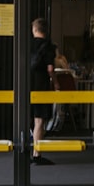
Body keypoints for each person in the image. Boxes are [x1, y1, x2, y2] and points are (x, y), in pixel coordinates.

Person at [29, 17, 56, 165]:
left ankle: (25, 149)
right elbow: (50, 69)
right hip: (41, 85)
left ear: (34, 30)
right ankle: (37, 154)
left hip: (26, 85)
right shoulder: (48, 46)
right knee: (39, 121)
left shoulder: (26, 45)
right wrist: (56, 82)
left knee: (28, 119)